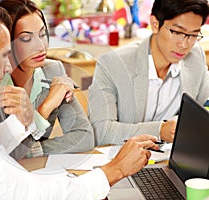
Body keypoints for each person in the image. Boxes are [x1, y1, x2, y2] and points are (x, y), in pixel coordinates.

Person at [0, 0, 161, 199]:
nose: (9, 66)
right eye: (5, 55)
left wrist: (22, 123)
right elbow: (22, 193)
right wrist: (113, 171)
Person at [0, 0, 94, 160]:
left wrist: (34, 150)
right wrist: (46, 107)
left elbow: (84, 136)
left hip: (38, 173)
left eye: (42, 34)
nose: (41, 46)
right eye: (27, 39)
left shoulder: (53, 70)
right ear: (6, 42)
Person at [89, 0, 209, 146]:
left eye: (193, 35)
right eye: (177, 32)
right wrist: (159, 131)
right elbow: (101, 132)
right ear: (155, 24)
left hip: (173, 160)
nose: (184, 45)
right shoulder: (113, 64)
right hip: (124, 160)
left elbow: (203, 108)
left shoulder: (195, 56)